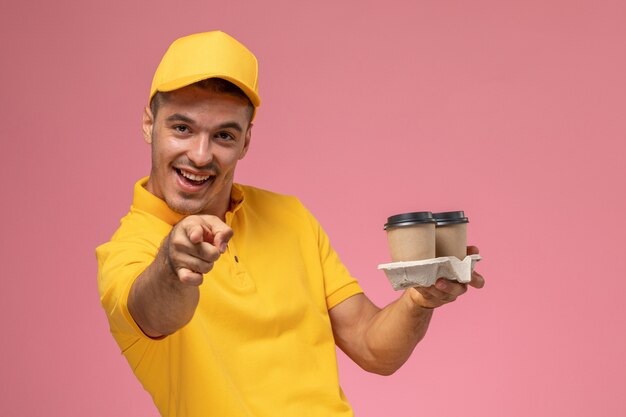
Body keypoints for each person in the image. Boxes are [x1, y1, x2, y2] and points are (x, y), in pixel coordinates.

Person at [96, 30, 484, 417]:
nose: (200, 155)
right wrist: (172, 263)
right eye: (182, 128)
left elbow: (372, 348)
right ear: (150, 123)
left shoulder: (289, 216)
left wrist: (420, 298)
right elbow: (155, 313)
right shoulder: (130, 249)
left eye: (224, 135)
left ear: (246, 141)